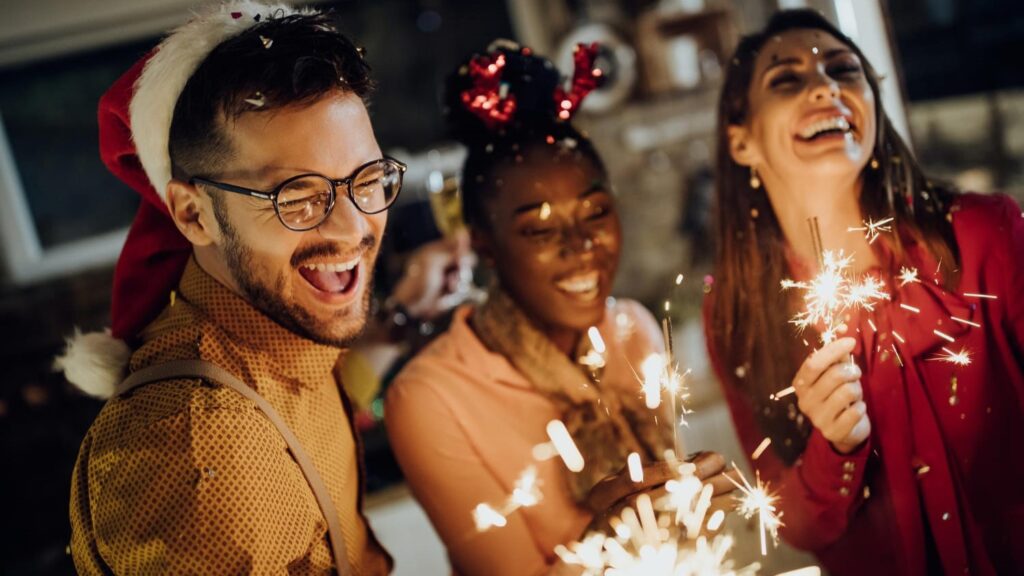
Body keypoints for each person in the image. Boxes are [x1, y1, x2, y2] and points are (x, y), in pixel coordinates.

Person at [57, 3, 396, 573]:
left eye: (367, 180)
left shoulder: (276, 325)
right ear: (193, 215)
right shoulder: (198, 454)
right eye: (297, 198)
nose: (353, 228)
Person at [385, 41, 733, 576]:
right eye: (540, 229)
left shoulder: (632, 329)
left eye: (595, 213)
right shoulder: (431, 399)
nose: (581, 246)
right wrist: (607, 530)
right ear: (484, 245)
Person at [705, 9, 1024, 575]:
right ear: (742, 141)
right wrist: (835, 448)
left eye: (844, 70)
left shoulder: (984, 236)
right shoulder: (735, 313)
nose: (825, 87)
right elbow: (794, 524)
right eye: (787, 79)